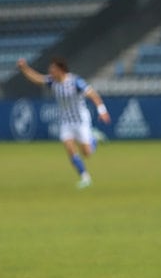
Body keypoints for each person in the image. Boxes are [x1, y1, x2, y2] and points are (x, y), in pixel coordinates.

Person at [16, 57, 111, 188]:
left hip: (80, 120)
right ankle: (85, 177)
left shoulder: (75, 82)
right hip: (66, 121)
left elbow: (93, 94)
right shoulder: (52, 81)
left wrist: (102, 110)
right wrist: (24, 68)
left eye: (52, 70)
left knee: (87, 153)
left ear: (61, 70)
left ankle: (93, 137)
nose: (50, 72)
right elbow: (37, 78)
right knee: (70, 149)